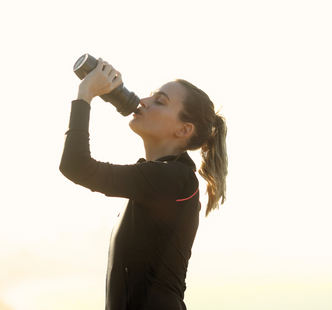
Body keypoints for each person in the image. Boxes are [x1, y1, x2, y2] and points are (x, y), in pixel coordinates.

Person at [59, 58, 228, 310]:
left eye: (159, 101)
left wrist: (85, 95)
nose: (143, 102)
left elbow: (76, 166)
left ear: (184, 129)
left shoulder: (173, 179)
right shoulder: (160, 180)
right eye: (150, 96)